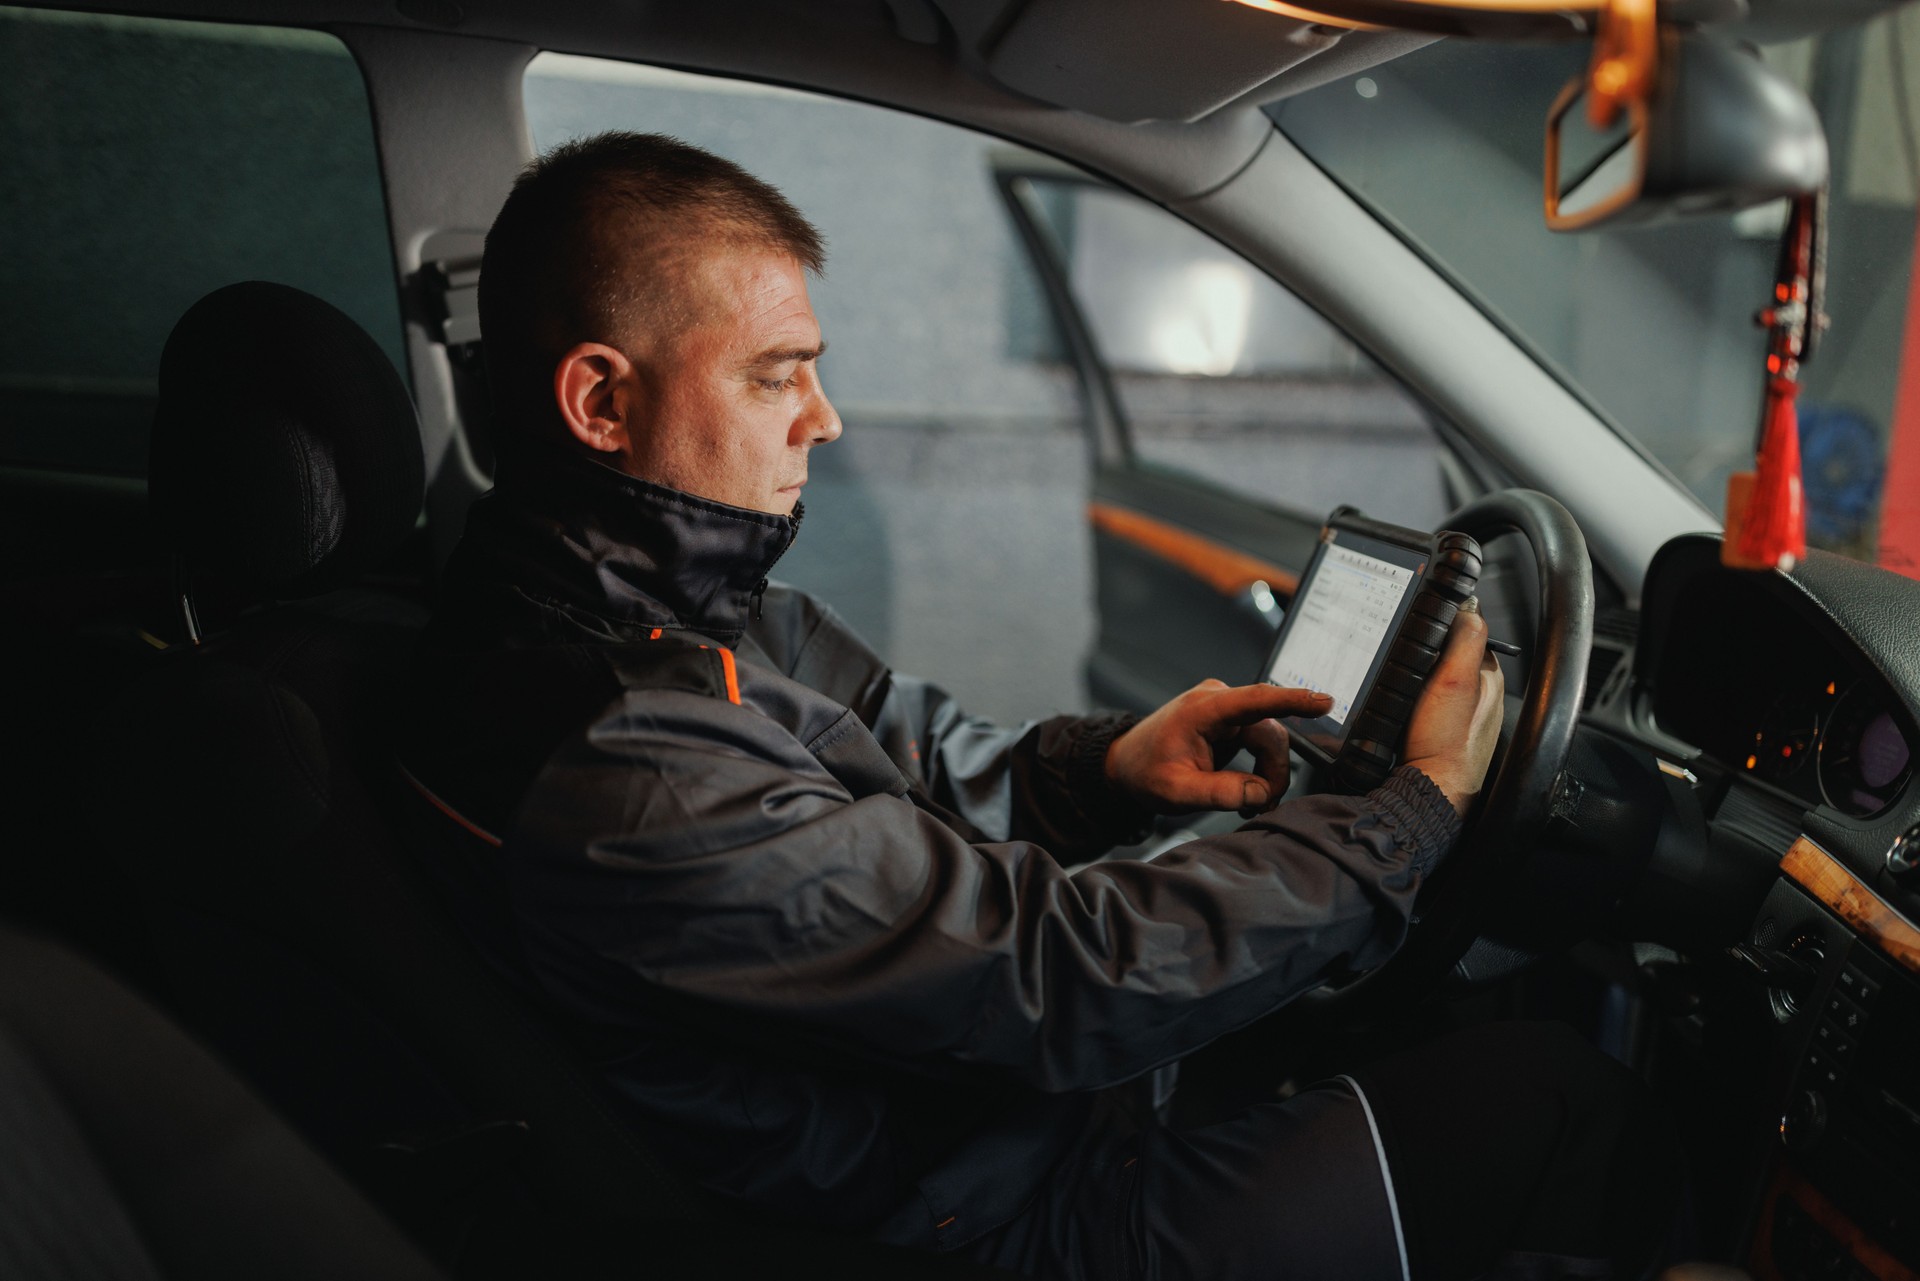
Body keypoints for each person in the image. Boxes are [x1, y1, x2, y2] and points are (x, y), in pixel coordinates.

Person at [399, 131, 1676, 1280]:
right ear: (601, 403)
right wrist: (1411, 813)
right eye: (776, 377)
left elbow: (916, 757)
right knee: (1561, 1096)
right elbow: (1062, 980)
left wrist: (1110, 768)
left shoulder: (670, 618)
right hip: (999, 1214)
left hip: (987, 1122)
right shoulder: (631, 758)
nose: (825, 421)